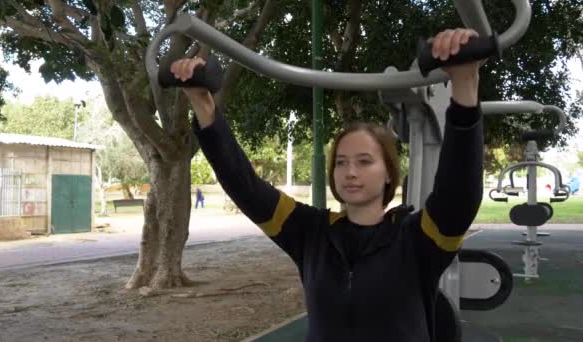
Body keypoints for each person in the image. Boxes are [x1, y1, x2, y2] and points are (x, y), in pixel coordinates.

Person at [172, 28, 483, 342]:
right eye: (341, 162)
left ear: (389, 172)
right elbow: (245, 186)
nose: (350, 172)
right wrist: (204, 106)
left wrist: (465, 83)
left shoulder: (417, 239)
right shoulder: (311, 233)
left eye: (364, 161)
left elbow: (459, 195)